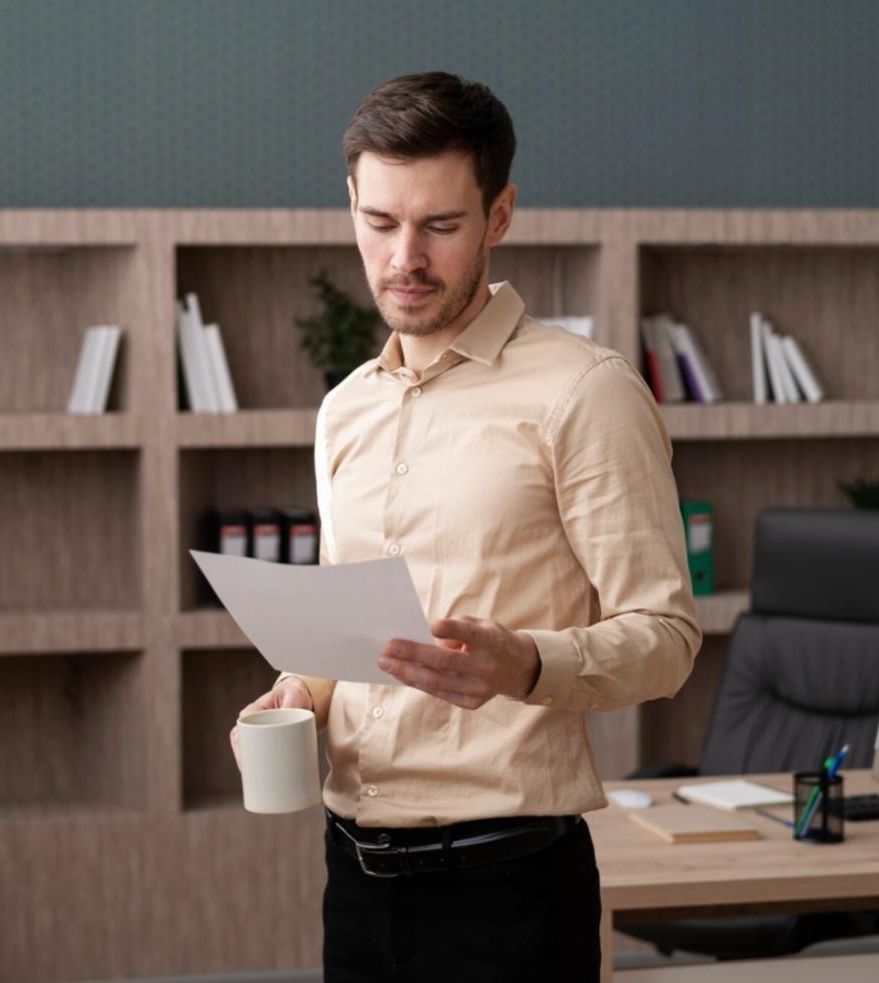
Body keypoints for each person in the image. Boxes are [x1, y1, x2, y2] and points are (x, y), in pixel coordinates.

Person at [231, 73, 701, 981]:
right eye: (380, 222)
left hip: (509, 888)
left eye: (440, 226)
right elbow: (348, 632)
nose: (404, 256)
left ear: (499, 215)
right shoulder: (344, 410)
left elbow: (669, 637)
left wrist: (523, 663)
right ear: (352, 208)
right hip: (354, 881)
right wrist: (299, 690)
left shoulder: (586, 392)